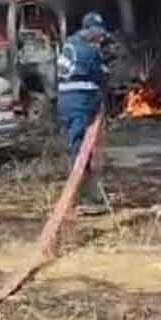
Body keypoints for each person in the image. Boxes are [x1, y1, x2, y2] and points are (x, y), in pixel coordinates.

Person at [57, 11, 112, 215]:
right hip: (80, 104)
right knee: (81, 152)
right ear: (87, 29)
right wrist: (104, 67)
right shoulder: (89, 52)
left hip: (66, 103)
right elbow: (100, 76)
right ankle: (84, 199)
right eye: (97, 33)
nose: (99, 37)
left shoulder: (69, 43)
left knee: (76, 148)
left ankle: (82, 196)